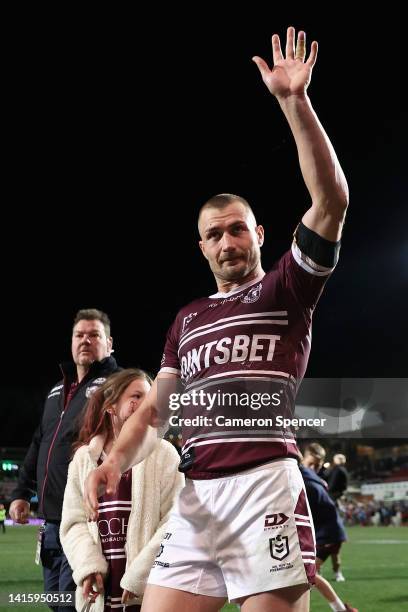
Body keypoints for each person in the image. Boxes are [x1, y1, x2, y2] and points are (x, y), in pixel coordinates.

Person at [84, 26, 349, 612]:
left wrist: (293, 102)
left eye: (236, 228)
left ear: (258, 234)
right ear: (201, 247)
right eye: (213, 234)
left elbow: (331, 201)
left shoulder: (287, 289)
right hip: (198, 494)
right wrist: (118, 458)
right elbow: (158, 408)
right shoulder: (187, 318)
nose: (226, 240)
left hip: (264, 485)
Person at [9, 308, 120, 612]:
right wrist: (21, 493)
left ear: (109, 343)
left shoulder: (117, 386)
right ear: (71, 342)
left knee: (78, 606)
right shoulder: (57, 390)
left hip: (85, 523)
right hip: (50, 526)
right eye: (79, 335)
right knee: (56, 603)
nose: (85, 340)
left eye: (94, 335)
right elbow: (38, 443)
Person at [60, 369, 184, 612]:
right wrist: (88, 567)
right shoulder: (83, 459)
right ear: (111, 406)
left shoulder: (165, 454)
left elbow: (176, 519)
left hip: (148, 590)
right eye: (136, 396)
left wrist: (141, 574)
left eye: (148, 398)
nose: (143, 404)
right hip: (99, 591)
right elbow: (73, 523)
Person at [300, 444, 356, 611]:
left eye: (317, 465)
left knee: (307, 574)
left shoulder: (307, 478)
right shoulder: (313, 479)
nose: (314, 468)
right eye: (311, 464)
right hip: (325, 533)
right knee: (308, 574)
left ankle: (341, 609)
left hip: (329, 534)